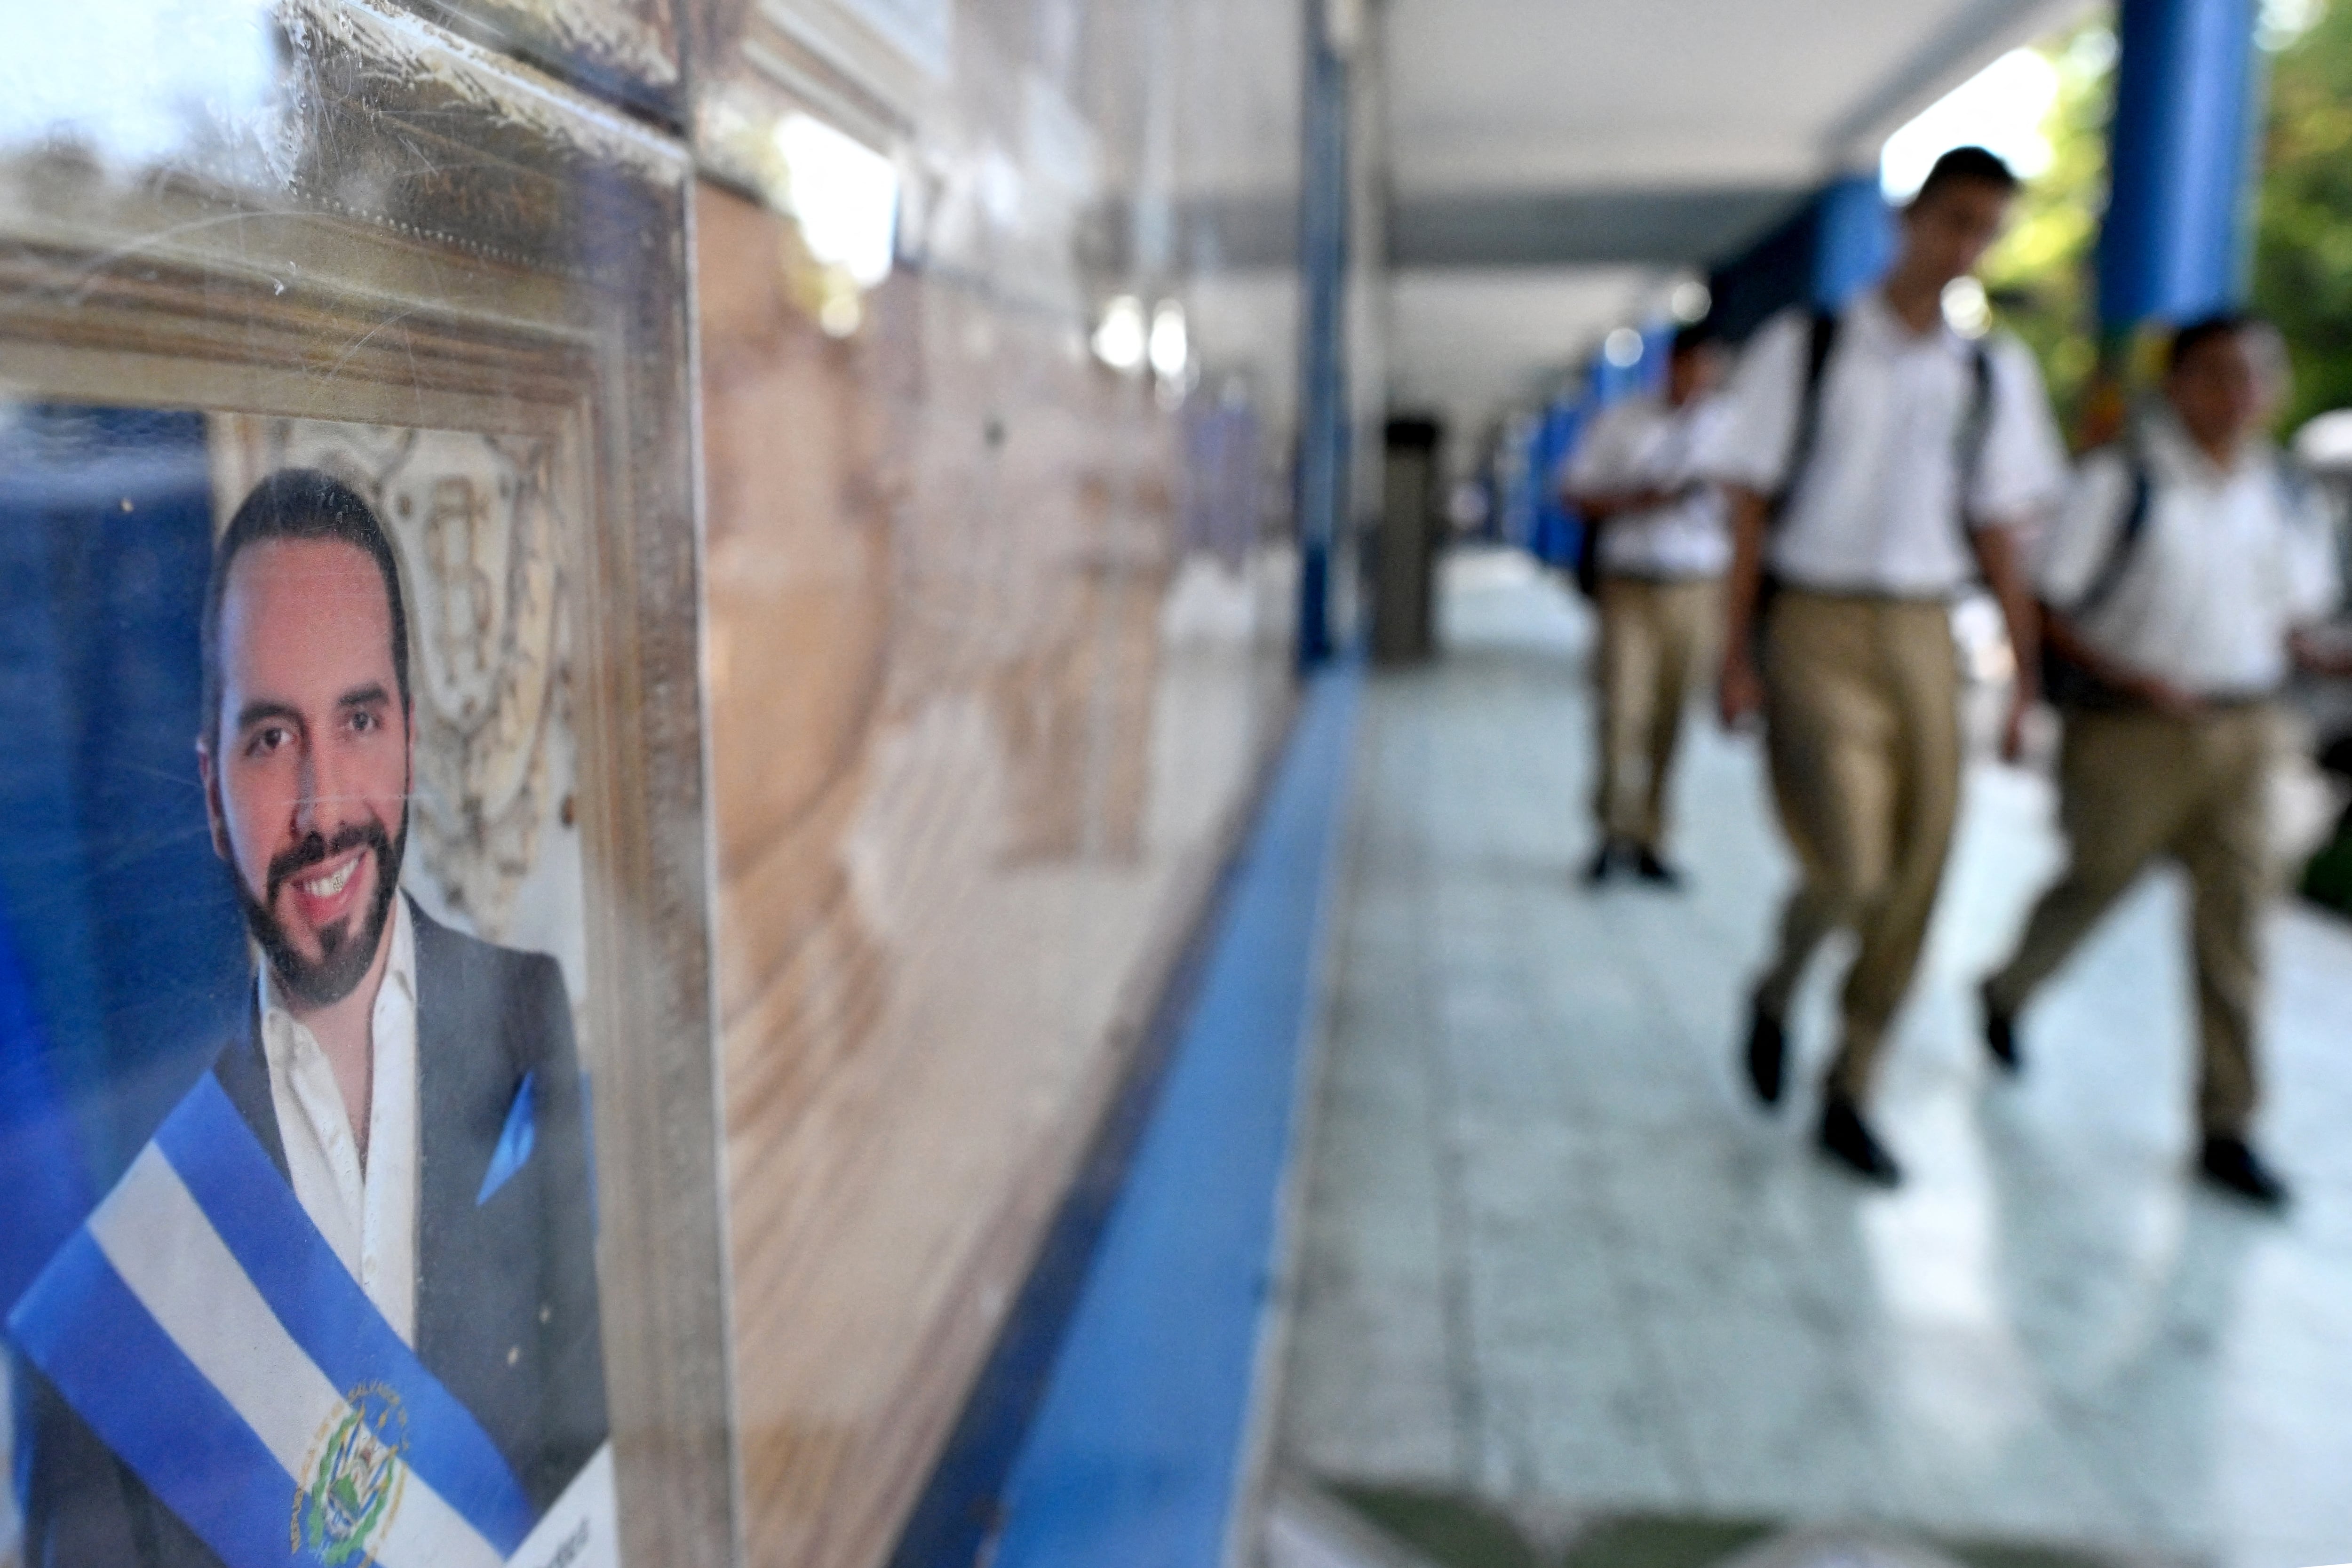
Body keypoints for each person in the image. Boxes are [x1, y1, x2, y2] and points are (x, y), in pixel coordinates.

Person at [9, 470, 607, 1566]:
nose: (324, 807)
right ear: (208, 789)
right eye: (272, 739)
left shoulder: (531, 1014)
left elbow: (604, 1438)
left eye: (359, 721)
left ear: (412, 741)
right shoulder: (133, 1251)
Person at [1707, 145, 2067, 1186]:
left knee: (1919, 872)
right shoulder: (1809, 346)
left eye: (1984, 230)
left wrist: (2023, 679)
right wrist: (1737, 653)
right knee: (1851, 864)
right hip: (1815, 622)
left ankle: (1852, 1081)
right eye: (1952, 220)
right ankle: (1779, 984)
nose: (1964, 247)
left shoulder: (1990, 375)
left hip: (1926, 631)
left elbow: (2002, 531)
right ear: (1909, 217)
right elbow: (1748, 505)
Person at [1980, 313, 2349, 1210]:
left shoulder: (2284, 496)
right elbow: (2049, 598)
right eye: (2217, 375)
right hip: (2134, 729)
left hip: (2245, 729)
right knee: (2097, 877)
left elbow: (2295, 616)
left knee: (2236, 931)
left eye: (2254, 377)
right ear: (2178, 385)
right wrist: (2130, 676)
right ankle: (2009, 989)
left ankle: (2229, 1120)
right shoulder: (2124, 481)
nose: (2236, 396)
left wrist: (2321, 655)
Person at [1565, 325, 1732, 887]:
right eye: (1690, 366)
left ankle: (1651, 837)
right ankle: (1609, 832)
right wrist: (1640, 499)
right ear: (1671, 365)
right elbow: (1573, 492)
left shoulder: (1727, 430)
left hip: (1696, 588)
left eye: (1708, 369)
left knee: (1672, 717)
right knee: (1621, 710)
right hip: (1629, 585)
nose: (1698, 379)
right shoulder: (1623, 422)